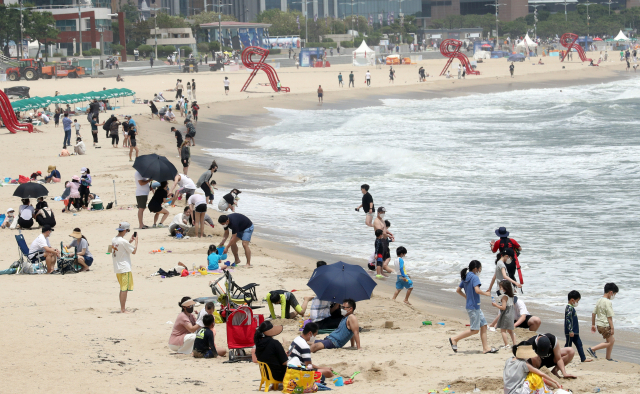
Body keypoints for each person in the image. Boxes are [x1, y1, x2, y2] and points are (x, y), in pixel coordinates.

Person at [449, 260, 498, 354]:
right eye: (480, 268)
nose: (480, 270)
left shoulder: (466, 277)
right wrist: (486, 293)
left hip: (474, 306)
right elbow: (477, 290)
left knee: (484, 325)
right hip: (474, 307)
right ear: (476, 268)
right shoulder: (475, 278)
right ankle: (454, 339)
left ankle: (486, 348)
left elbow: (458, 290)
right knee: (475, 330)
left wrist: (466, 297)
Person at [588, 282, 619, 362]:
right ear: (610, 292)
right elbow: (609, 317)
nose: (613, 296)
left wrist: (593, 324)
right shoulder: (608, 302)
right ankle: (592, 349)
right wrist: (612, 328)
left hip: (599, 325)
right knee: (610, 342)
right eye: (614, 294)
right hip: (605, 325)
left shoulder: (599, 300)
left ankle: (608, 357)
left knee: (611, 340)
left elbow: (593, 313)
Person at [112, 222, 137, 313]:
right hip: (124, 268)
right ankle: (123, 309)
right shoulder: (123, 241)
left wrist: (130, 241)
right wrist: (136, 241)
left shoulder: (114, 240)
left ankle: (122, 308)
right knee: (124, 289)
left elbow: (120, 249)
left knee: (122, 288)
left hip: (117, 267)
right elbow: (134, 251)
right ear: (125, 230)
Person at [564, 290, 591, 363]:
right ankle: (564, 358)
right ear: (572, 300)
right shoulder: (569, 308)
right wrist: (570, 330)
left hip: (575, 331)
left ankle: (583, 358)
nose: (577, 303)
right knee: (568, 346)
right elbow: (568, 319)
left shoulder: (572, 308)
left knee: (579, 344)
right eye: (577, 301)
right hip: (571, 331)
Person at [492, 279, 516, 348]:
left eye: (501, 287)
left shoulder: (504, 297)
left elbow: (503, 308)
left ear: (505, 287)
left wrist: (496, 305)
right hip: (511, 314)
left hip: (506, 315)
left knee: (503, 330)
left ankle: (507, 345)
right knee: (510, 331)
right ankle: (515, 344)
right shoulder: (511, 296)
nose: (500, 289)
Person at [373, 207, 394, 274]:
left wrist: (389, 233)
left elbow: (384, 229)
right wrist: (389, 236)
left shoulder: (382, 220)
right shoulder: (376, 221)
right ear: (378, 213)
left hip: (384, 241)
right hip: (380, 240)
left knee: (383, 258)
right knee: (380, 258)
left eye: (384, 213)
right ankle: (379, 273)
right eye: (382, 213)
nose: (383, 214)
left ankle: (382, 272)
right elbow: (381, 231)